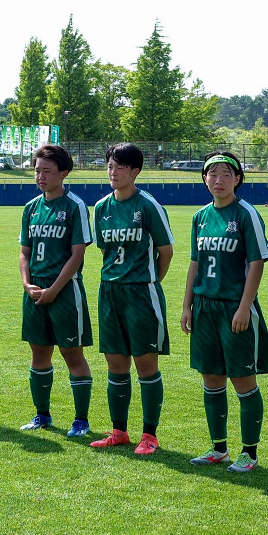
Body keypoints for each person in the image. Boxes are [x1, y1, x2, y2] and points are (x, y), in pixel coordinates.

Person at [181, 151, 268, 472]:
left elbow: (256, 262)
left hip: (235, 307)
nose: (218, 180)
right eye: (212, 174)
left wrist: (245, 307)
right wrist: (187, 305)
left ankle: (250, 453)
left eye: (226, 174)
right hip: (205, 307)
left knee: (243, 380)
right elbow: (195, 263)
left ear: (237, 179)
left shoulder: (246, 214)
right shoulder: (200, 217)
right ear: (204, 178)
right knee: (211, 379)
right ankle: (218, 449)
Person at [88, 143, 174, 455]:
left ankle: (149, 436)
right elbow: (105, 252)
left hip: (142, 291)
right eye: (110, 166)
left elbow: (166, 252)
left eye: (120, 167)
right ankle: (119, 432)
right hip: (109, 291)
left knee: (145, 363)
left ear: (135, 171)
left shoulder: (148, 205)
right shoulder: (100, 208)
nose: (113, 172)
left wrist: (150, 282)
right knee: (115, 362)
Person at [18, 144, 94, 435]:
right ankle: (42, 416)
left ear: (63, 173)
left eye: (47, 171)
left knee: (72, 354)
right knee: (39, 355)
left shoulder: (74, 206)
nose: (40, 176)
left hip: (65, 292)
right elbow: (25, 252)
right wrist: (27, 284)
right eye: (37, 171)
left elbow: (77, 255)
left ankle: (81, 421)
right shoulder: (31, 208)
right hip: (35, 293)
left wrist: (54, 289)